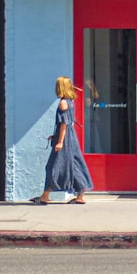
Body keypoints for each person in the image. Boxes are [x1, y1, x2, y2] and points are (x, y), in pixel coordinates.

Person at [31, 76, 94, 204]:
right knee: (73, 164)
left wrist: (59, 141)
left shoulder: (63, 103)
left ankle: (45, 195)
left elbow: (63, 124)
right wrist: (55, 136)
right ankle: (80, 194)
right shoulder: (70, 101)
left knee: (53, 166)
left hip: (65, 138)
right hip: (70, 137)